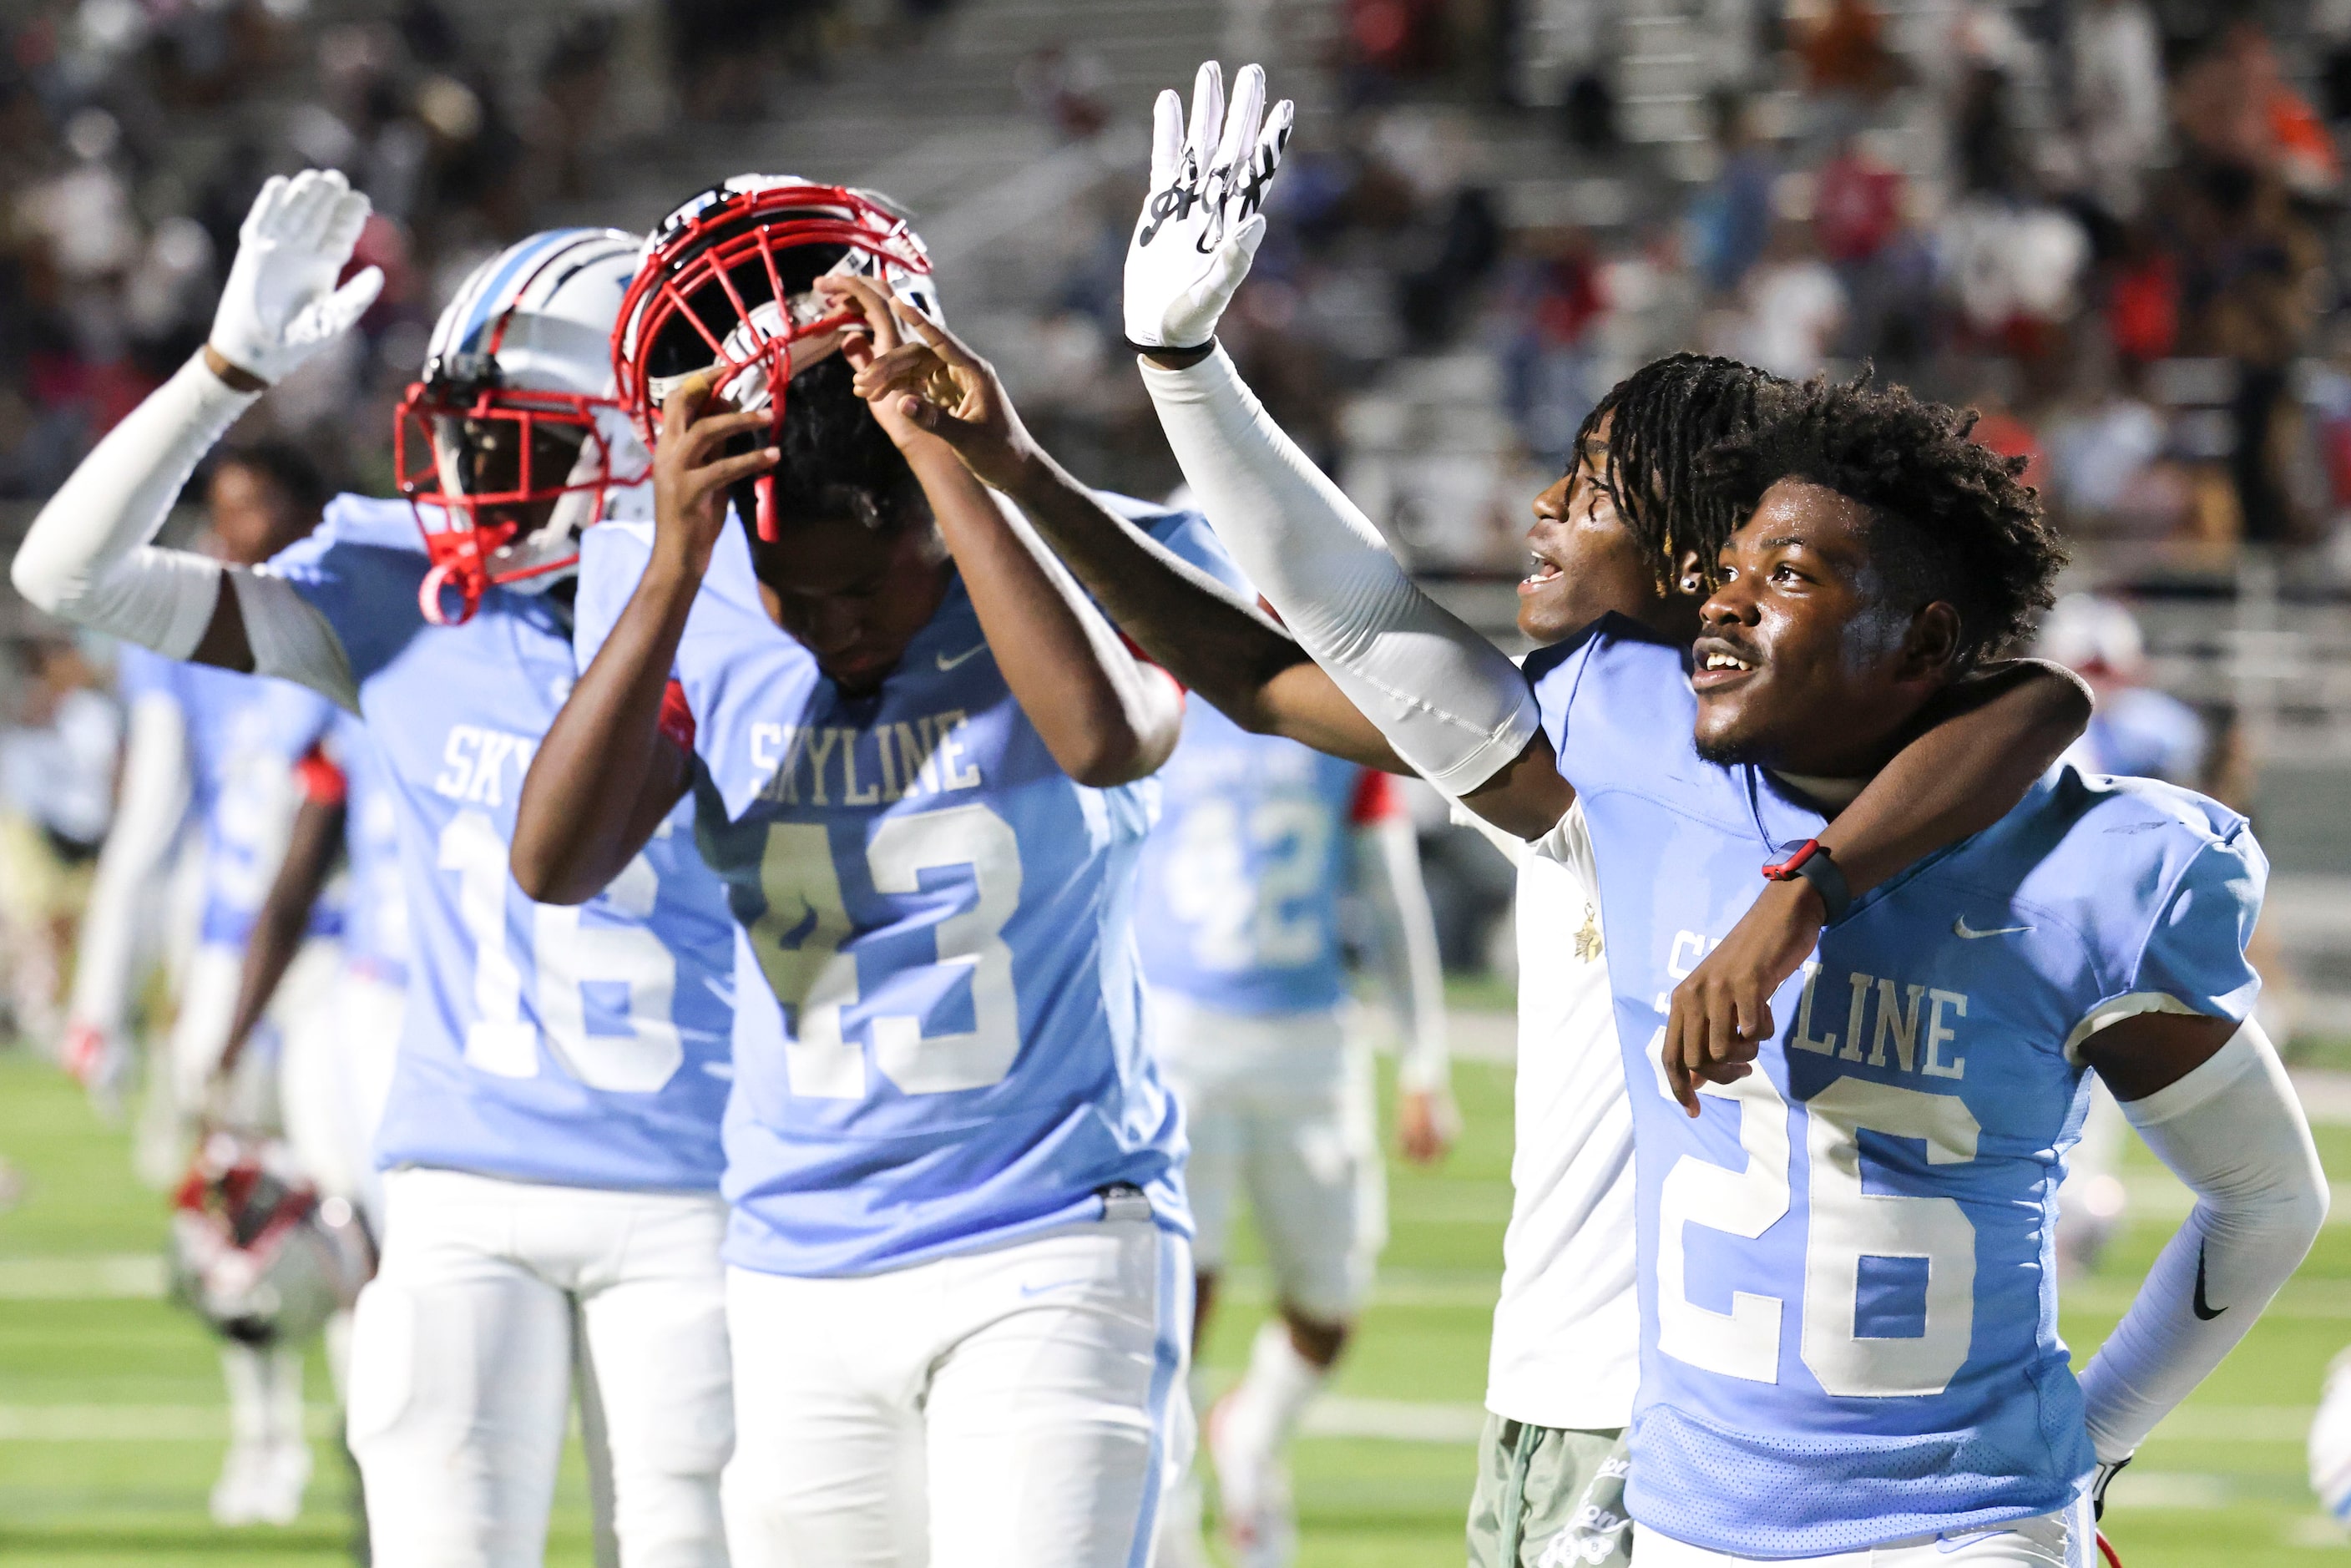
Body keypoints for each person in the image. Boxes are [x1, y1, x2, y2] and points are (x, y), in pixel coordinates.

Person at [840, 63, 2096, 1568]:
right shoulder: (1650, 732)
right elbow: (1256, 668)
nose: (1543, 515)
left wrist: (1182, 368)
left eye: (1593, 489)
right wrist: (1009, 458)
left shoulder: (1616, 754)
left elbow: (1342, 621)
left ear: (1702, 561)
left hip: (1660, 1425)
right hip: (1575, 1400)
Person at [1109, 65, 2330, 1565]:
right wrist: (1176, 366)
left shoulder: (2088, 861)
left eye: (1790, 574)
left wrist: (2093, 1439)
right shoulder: (1630, 740)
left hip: (1959, 1527)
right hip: (1686, 1516)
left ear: (1923, 643)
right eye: (1735, 564)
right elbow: (1350, 623)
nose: (1731, 598)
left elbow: (2267, 1194)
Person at [12, 171, 740, 1566]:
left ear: (639, 441)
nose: (465, 476)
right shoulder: (398, 588)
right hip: (455, 1186)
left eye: (510, 438)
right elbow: (70, 575)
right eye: (460, 434)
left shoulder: (748, 610)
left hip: (695, 1191)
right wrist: (222, 376)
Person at [508, 175, 1235, 1568]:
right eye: (802, 594)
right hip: (794, 1254)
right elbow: (555, 858)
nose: (833, 625)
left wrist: (947, 457)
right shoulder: (687, 577)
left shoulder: (1082, 544)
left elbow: (1103, 735)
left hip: (1052, 1230)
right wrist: (670, 570)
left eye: (867, 581)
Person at [49, 439, 344, 1528]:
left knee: (353, 1216)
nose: (235, 537)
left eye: (257, 508)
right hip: (231, 960)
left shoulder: (358, 617)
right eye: (221, 514)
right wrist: (102, 999)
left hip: (342, 961)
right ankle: (264, 1435)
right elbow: (148, 827)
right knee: (235, 1229)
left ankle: (362, 1436)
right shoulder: (185, 640)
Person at [1135, 692, 1453, 1566]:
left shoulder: (1337, 697)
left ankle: (1249, 1431)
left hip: (1310, 1038)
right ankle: (1165, 1528)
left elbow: (1389, 891)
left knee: (1330, 1296)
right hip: (1176, 1034)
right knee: (1175, 1299)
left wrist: (1423, 1060)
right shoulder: (1154, 680)